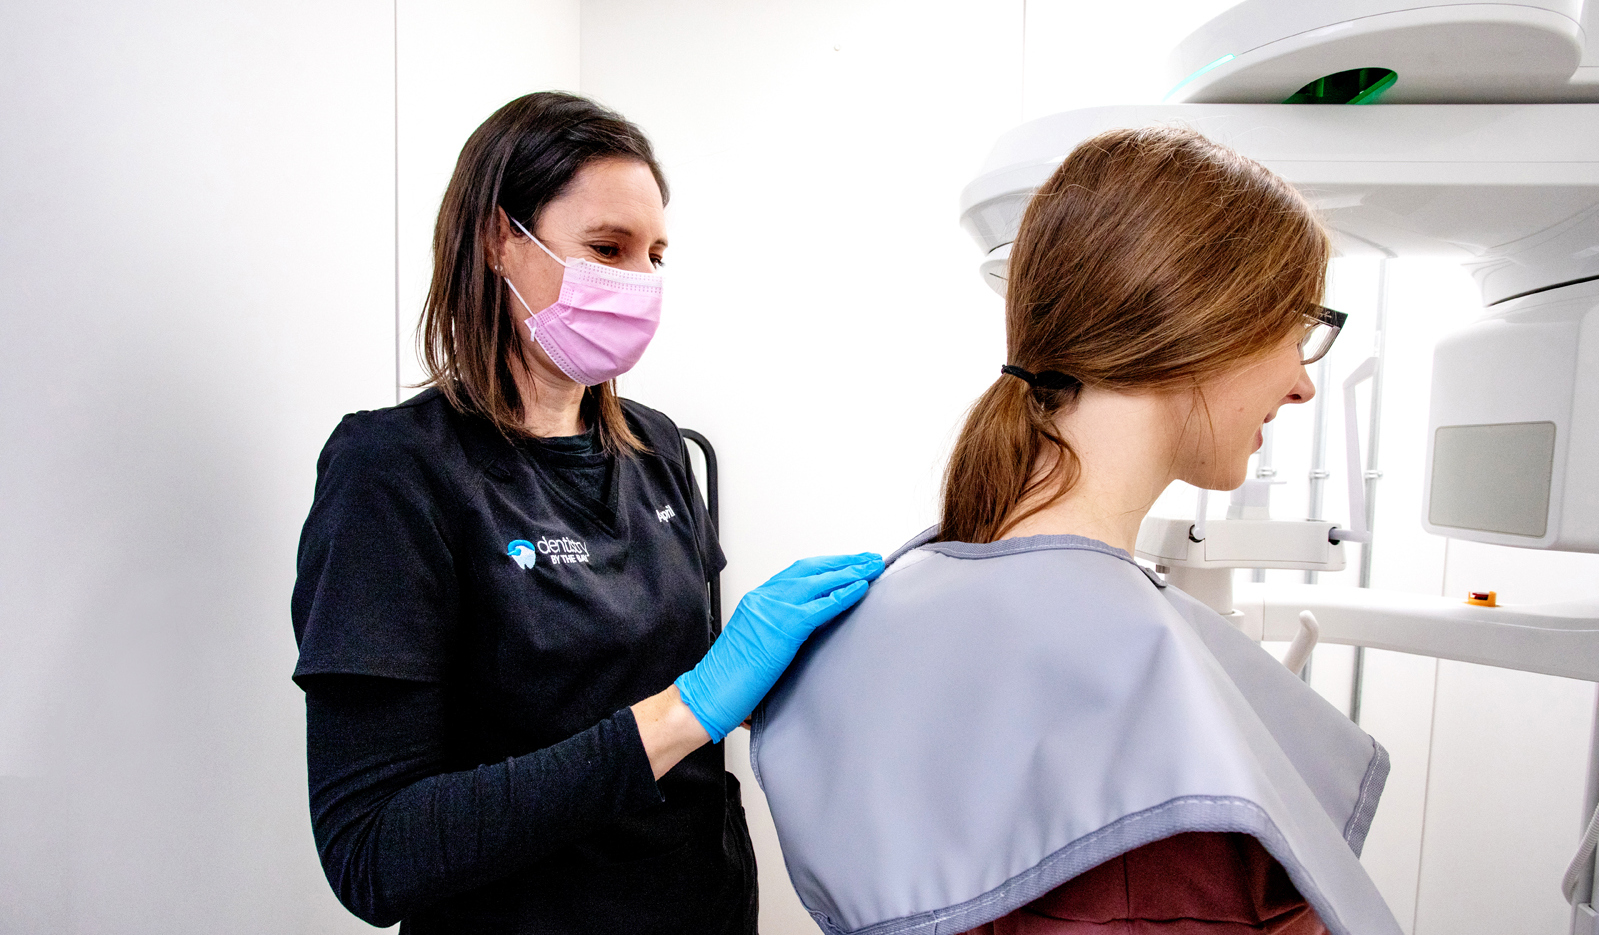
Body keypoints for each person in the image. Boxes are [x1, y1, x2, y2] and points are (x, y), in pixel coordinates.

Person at [751, 127, 1398, 935]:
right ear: (1204, 322)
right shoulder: (1154, 752)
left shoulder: (895, 604)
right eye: (1297, 330)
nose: (1302, 383)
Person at [290, 91, 881, 934]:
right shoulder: (394, 471)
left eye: (654, 255)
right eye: (607, 249)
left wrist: (815, 662)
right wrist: (690, 706)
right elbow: (375, 851)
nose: (638, 282)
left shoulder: (658, 446)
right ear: (498, 239)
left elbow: (682, 682)